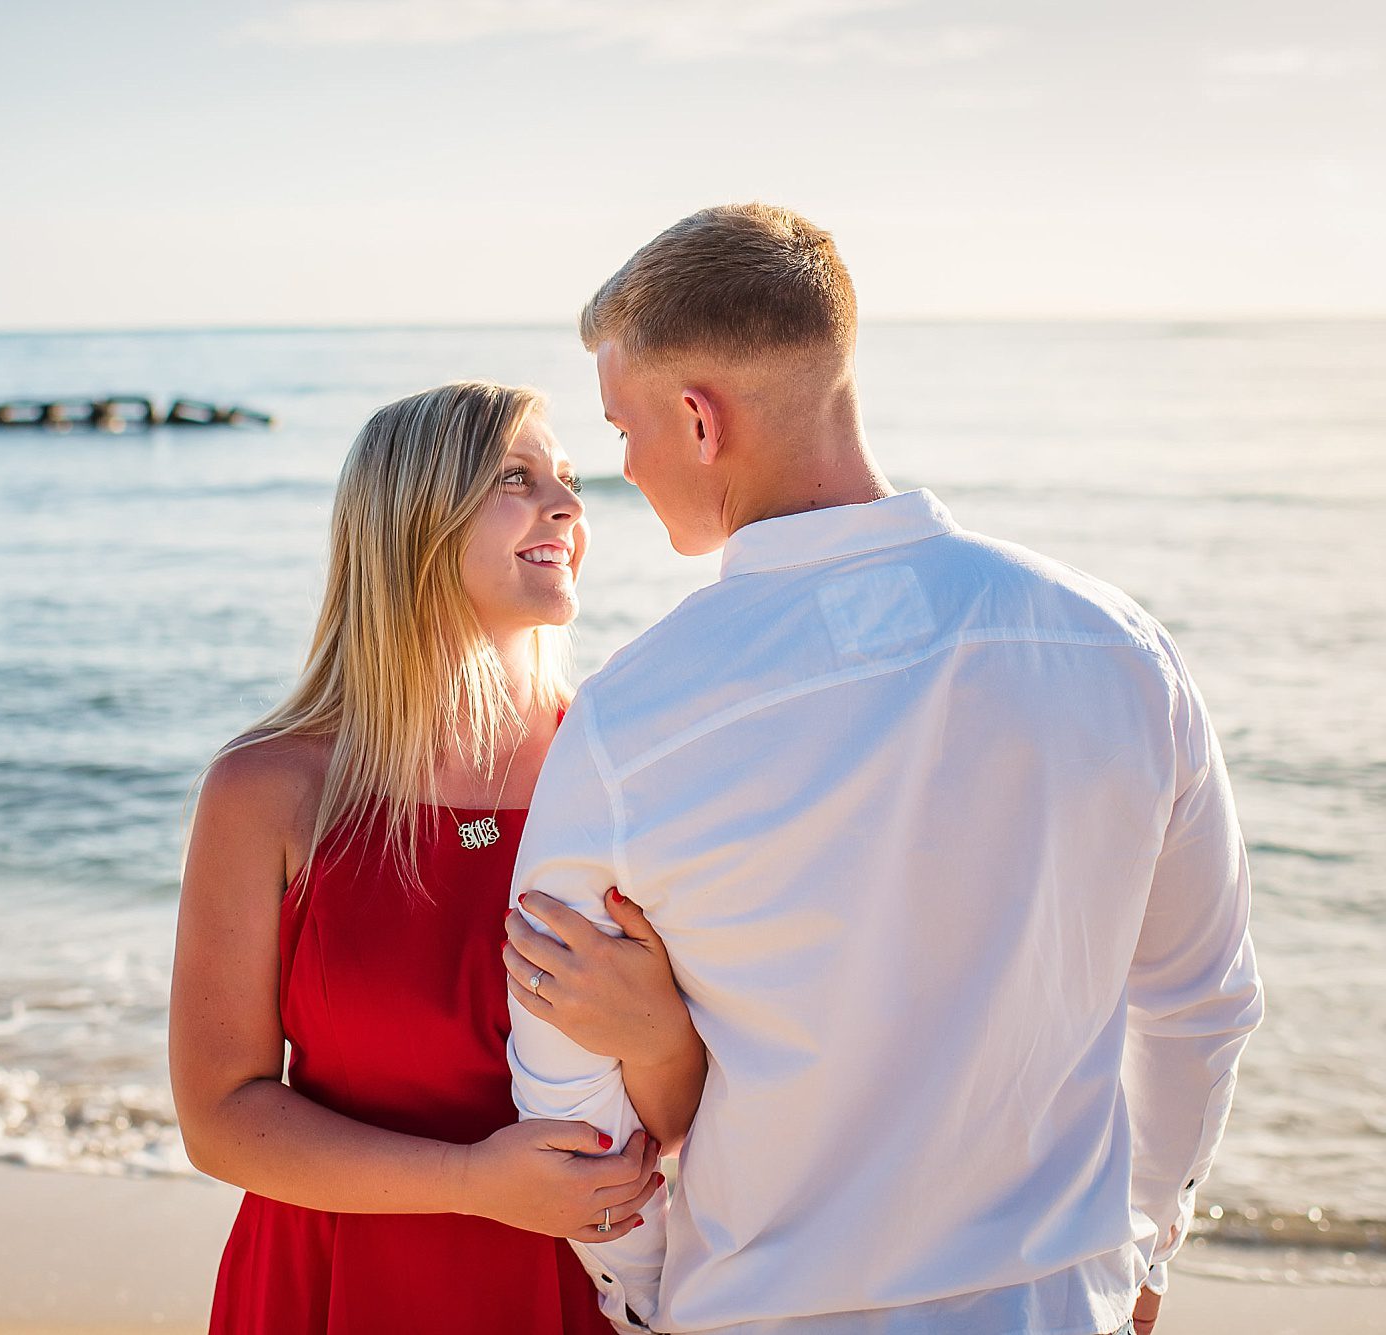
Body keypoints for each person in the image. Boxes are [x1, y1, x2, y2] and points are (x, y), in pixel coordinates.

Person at [505, 204, 1264, 1335]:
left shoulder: (632, 719)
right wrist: (1144, 1246)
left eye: (622, 429)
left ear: (697, 421)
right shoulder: (1116, 647)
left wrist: (647, 1294)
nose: (620, 468)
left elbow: (568, 1091)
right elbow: (1200, 1007)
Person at [170, 381, 709, 1334]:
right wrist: (470, 1182)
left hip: (574, 1287)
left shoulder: (622, 771)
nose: (571, 507)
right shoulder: (268, 789)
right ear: (414, 520)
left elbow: (694, 1118)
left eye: (570, 480)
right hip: (333, 1284)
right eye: (517, 476)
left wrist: (661, 1035)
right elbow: (220, 1117)